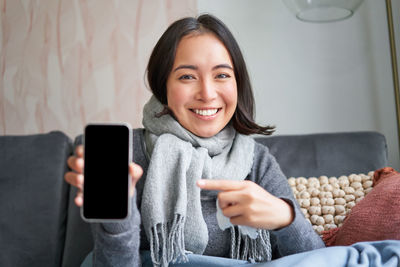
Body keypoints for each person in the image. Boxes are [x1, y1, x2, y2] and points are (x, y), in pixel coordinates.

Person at [65, 14, 325, 267]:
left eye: (222, 75)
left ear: (238, 84)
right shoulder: (127, 155)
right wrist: (117, 218)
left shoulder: (257, 162)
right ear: (163, 86)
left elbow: (318, 261)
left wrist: (285, 218)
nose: (207, 93)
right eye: (187, 76)